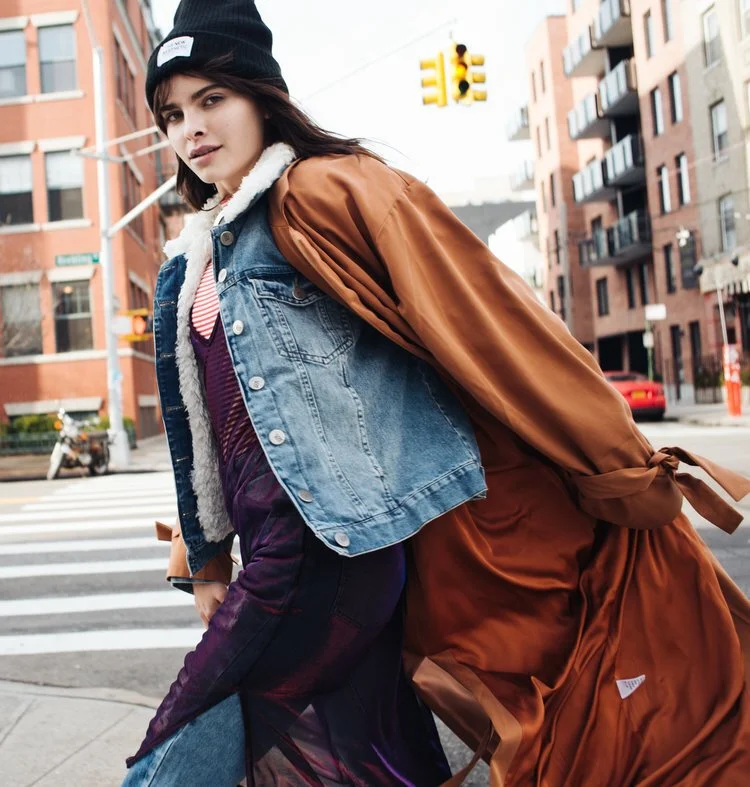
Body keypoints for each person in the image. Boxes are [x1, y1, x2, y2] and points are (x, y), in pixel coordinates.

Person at [125, 1, 750, 785]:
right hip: (278, 555)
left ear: (261, 96)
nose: (191, 128)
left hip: (329, 556)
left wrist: (620, 461)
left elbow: (486, 321)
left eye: (212, 99)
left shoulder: (325, 193)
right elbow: (209, 423)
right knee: (376, 762)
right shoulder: (190, 259)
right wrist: (207, 555)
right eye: (173, 113)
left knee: (172, 750)